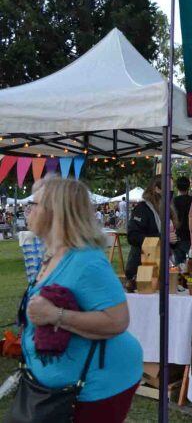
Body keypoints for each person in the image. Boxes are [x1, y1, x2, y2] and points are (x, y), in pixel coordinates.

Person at [20, 178, 142, 422]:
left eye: (34, 203)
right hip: (60, 387)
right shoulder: (54, 253)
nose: (28, 209)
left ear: (57, 212)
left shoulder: (86, 260)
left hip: (98, 385)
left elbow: (118, 321)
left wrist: (55, 315)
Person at [125, 177, 178, 292]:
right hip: (142, 269)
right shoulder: (142, 209)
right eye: (169, 188)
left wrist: (173, 241)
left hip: (162, 267)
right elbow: (133, 236)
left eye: (172, 189)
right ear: (157, 189)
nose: (171, 192)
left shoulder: (167, 210)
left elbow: (169, 239)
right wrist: (163, 238)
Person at [172, 176, 192, 265]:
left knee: (178, 264)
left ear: (177, 187)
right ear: (188, 187)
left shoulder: (174, 201)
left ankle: (179, 278)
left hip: (178, 235)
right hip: (191, 235)